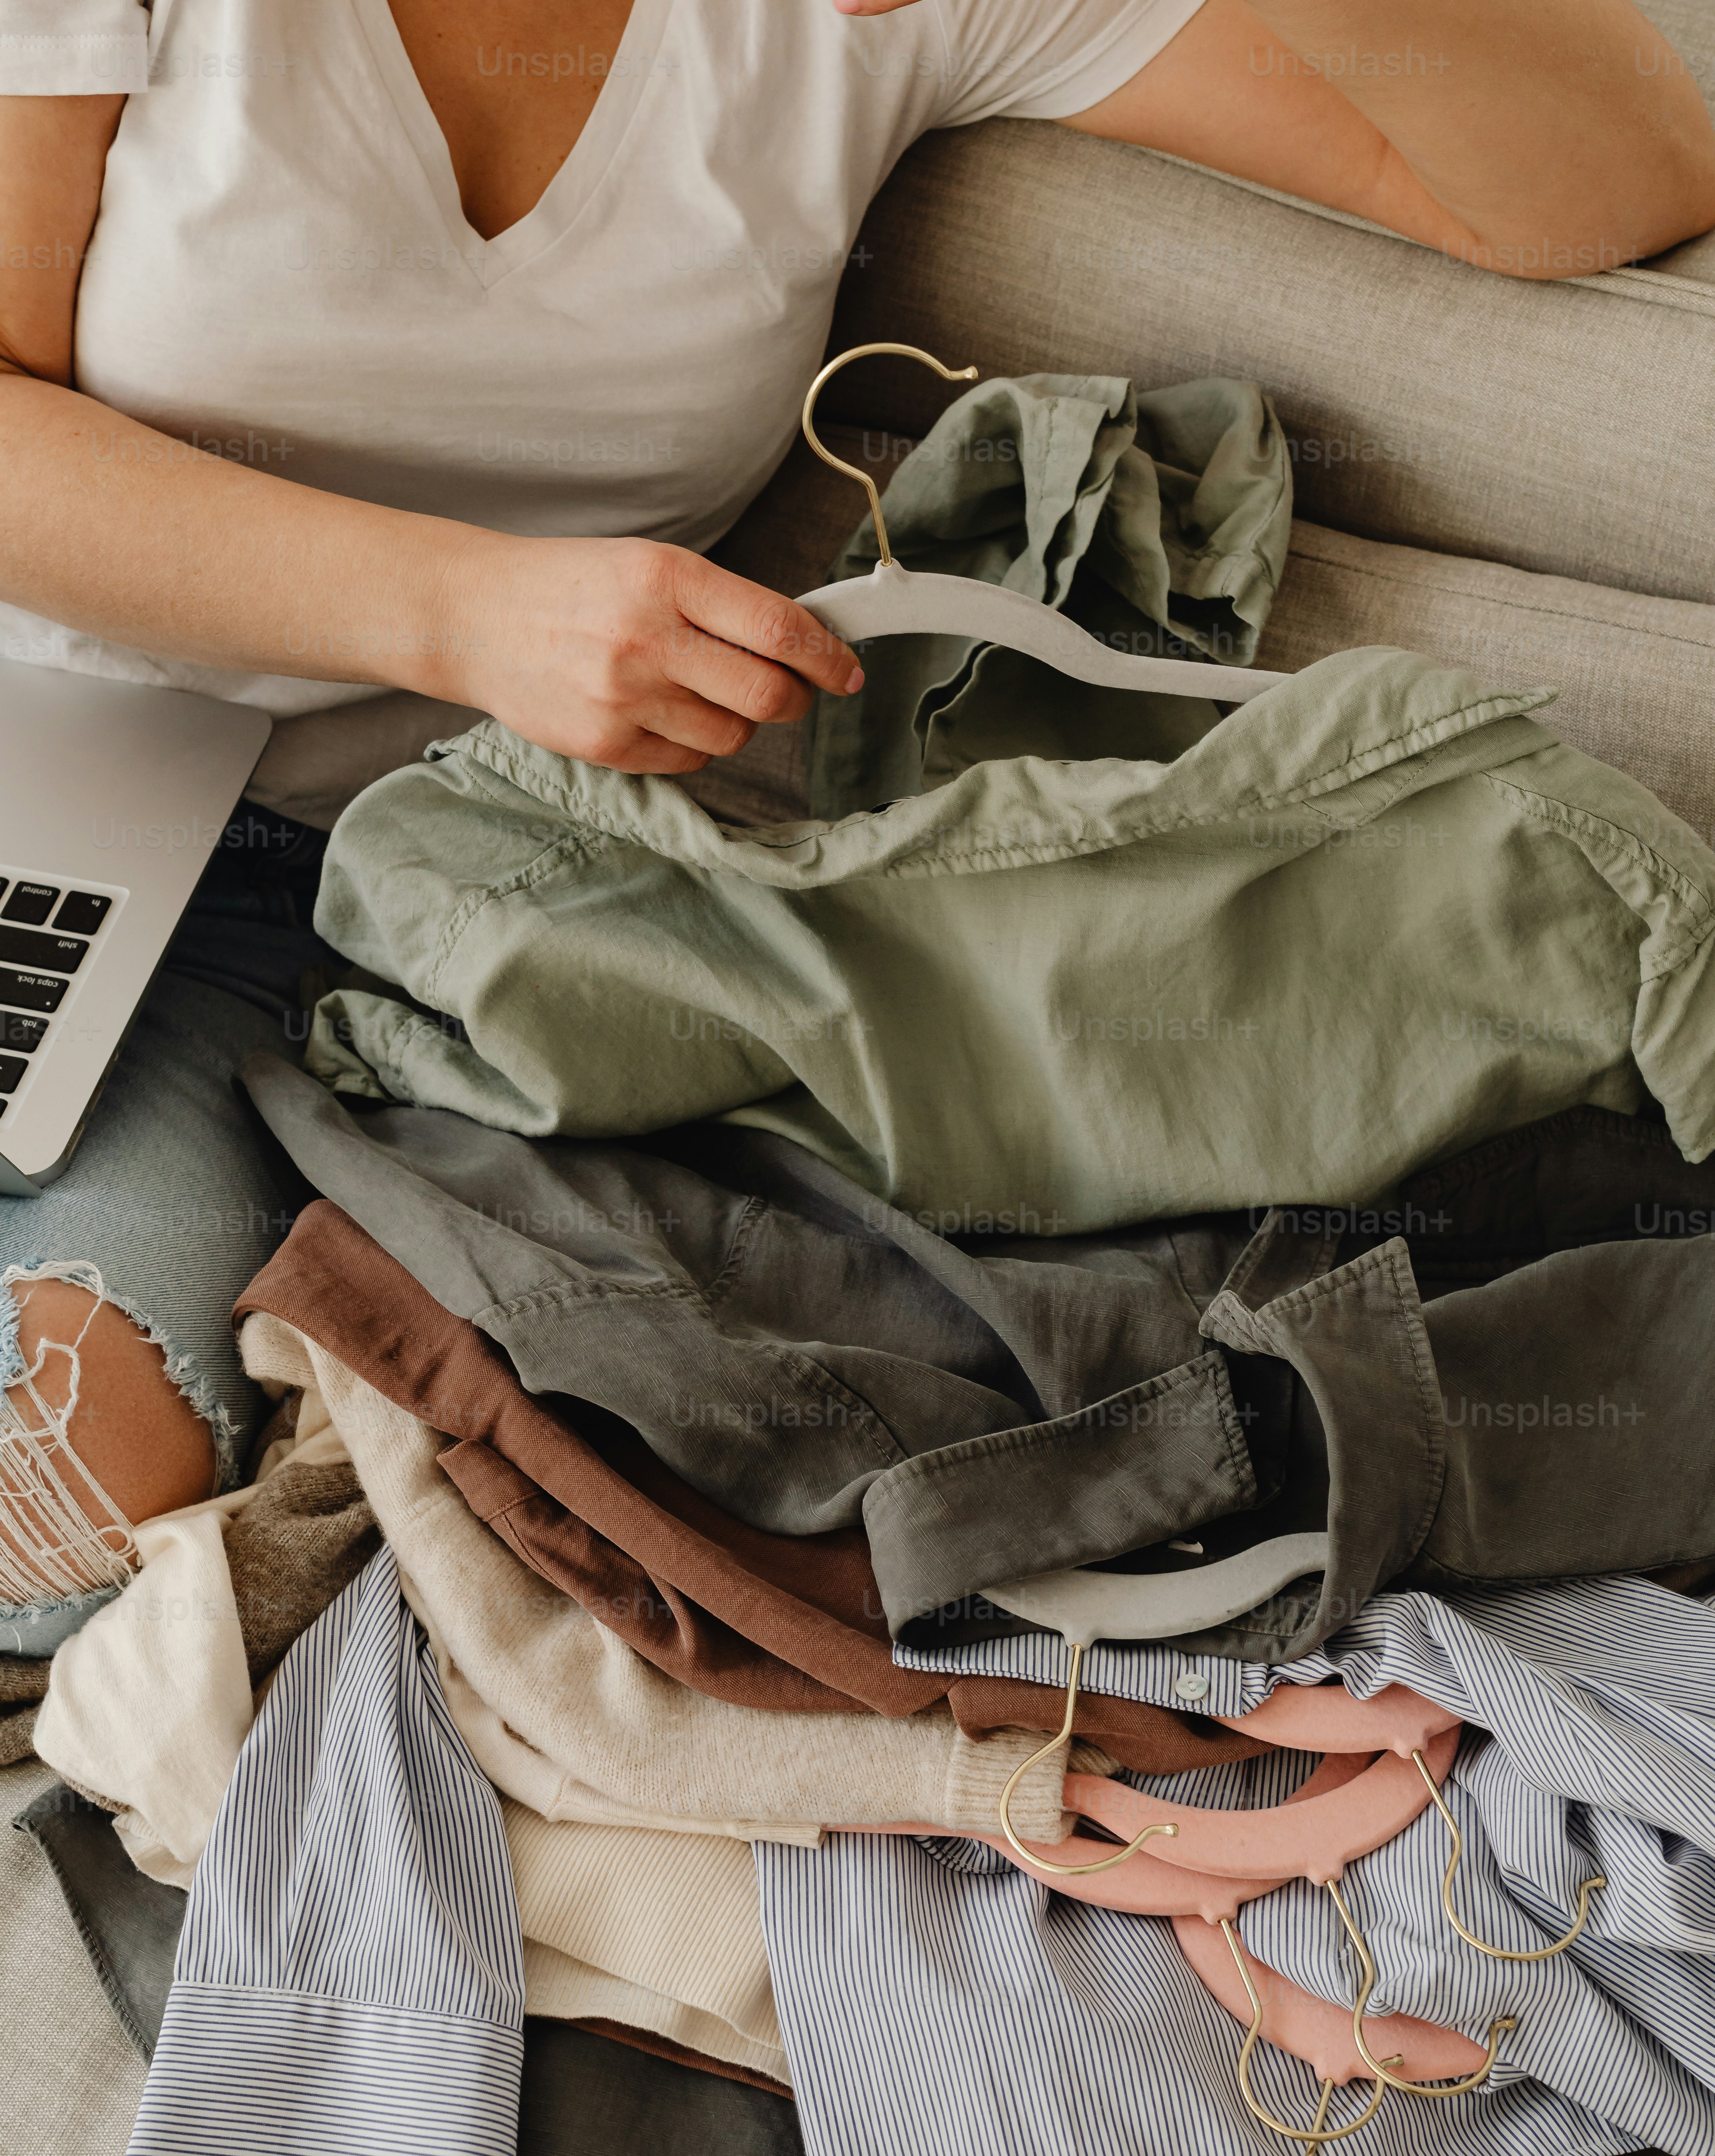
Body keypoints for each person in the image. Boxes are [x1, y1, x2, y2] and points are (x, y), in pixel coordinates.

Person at [1, 0, 1712, 1650]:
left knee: (68, 1494)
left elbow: (1616, 170)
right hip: (43, 761)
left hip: (389, 914)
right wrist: (461, 614)